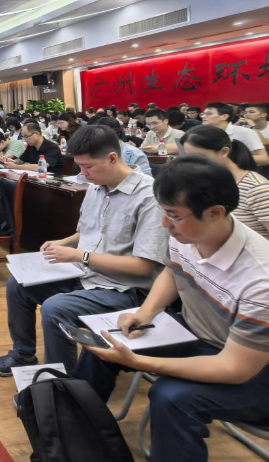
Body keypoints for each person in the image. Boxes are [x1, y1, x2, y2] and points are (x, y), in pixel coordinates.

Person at [72, 156, 269, 462]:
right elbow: (173, 271)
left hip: (254, 369)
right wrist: (146, 311)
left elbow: (234, 369)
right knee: (104, 345)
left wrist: (138, 361)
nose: (166, 224)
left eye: (173, 215)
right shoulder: (188, 234)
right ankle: (72, 435)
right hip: (200, 336)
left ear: (216, 213)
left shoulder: (260, 280)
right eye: (164, 212)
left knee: (172, 398)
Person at [0, 125, 167, 376]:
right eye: (79, 167)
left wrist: (81, 255)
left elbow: (144, 267)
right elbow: (89, 233)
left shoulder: (149, 197)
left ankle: (64, 382)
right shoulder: (96, 186)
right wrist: (64, 242)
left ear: (112, 158)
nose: (83, 174)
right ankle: (23, 354)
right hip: (86, 274)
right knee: (17, 286)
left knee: (55, 308)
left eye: (88, 167)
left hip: (125, 289)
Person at [181, 125, 269, 239]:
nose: (194, 163)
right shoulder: (202, 182)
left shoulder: (256, 188)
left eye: (200, 157)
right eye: (189, 157)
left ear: (224, 151)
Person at [202, 102, 268, 166]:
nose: (203, 116)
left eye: (209, 114)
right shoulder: (204, 133)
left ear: (224, 116)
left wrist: (231, 157)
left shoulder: (244, 132)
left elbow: (264, 159)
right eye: (202, 114)